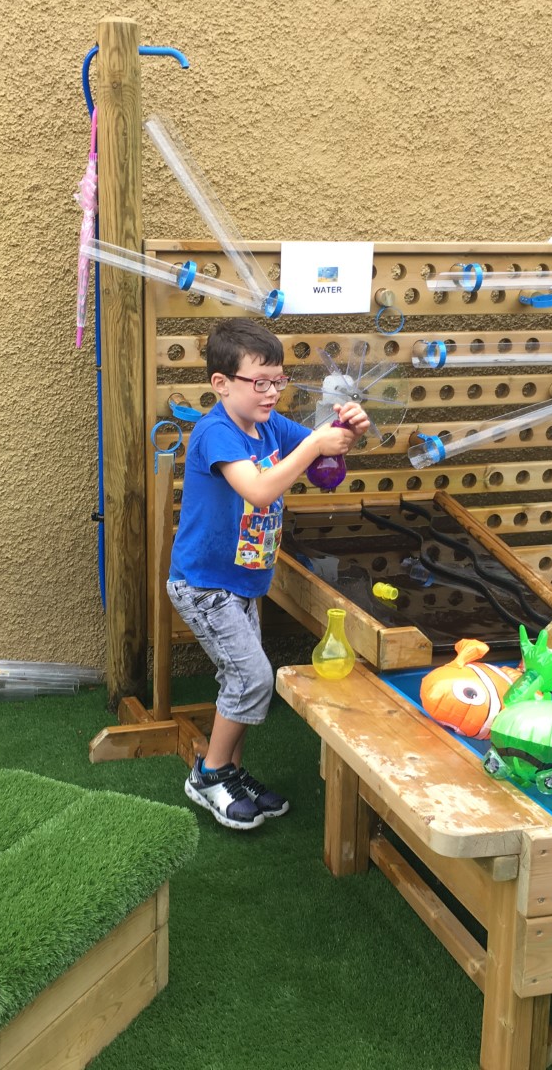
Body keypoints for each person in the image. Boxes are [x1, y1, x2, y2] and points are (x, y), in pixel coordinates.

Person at [167, 317, 369, 830]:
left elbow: (320, 460)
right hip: (204, 585)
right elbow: (258, 489)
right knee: (253, 677)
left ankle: (232, 772)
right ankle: (209, 775)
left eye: (278, 381)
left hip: (244, 582)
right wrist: (313, 446)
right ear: (221, 383)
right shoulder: (216, 432)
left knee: (240, 678)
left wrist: (345, 431)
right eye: (259, 383)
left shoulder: (271, 426)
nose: (272, 392)